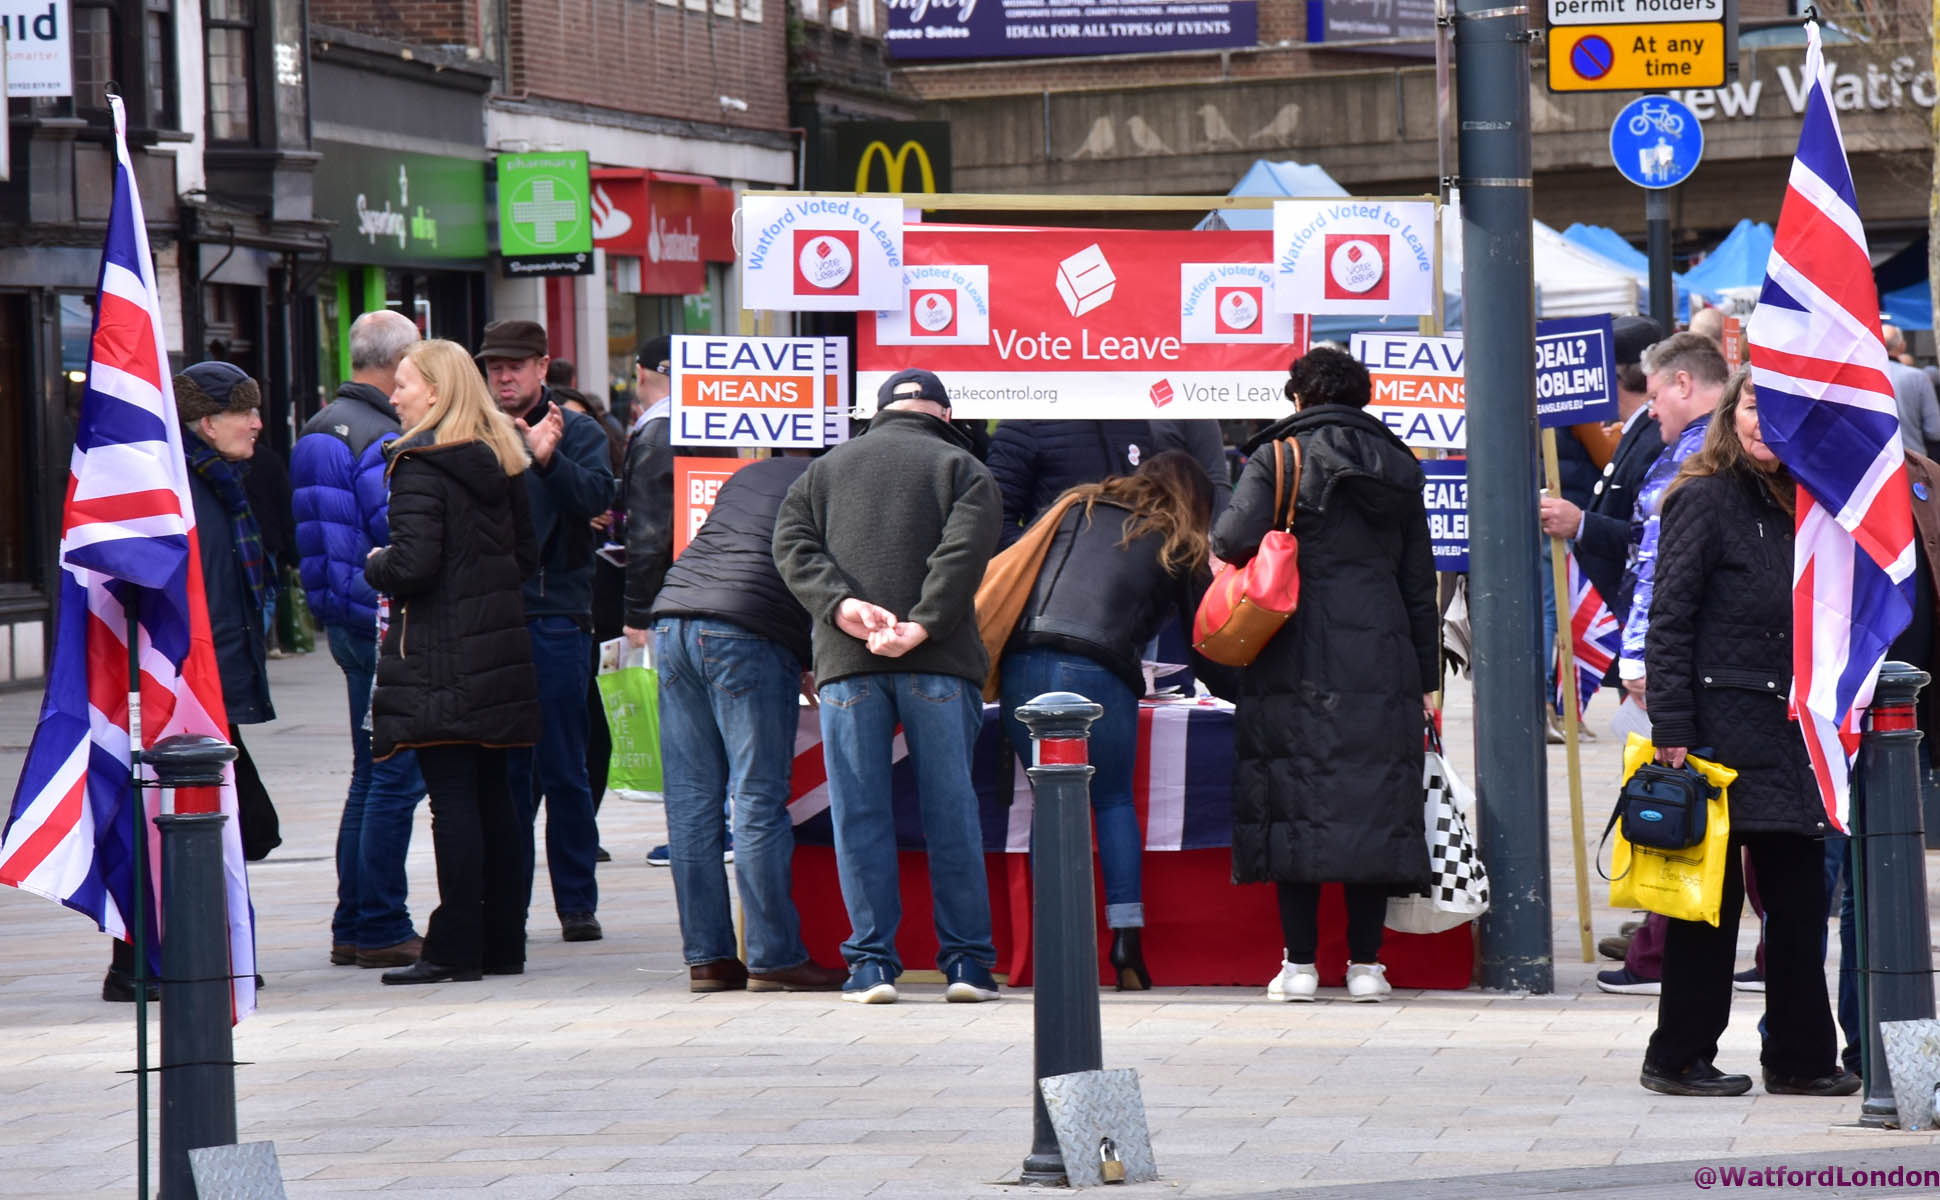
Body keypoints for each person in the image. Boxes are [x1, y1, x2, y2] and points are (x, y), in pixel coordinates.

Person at [1638, 370, 1858, 1098]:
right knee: (1708, 908)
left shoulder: (1814, 503)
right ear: (1731, 412)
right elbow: (1667, 620)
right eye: (1753, 406)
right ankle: (1677, 1057)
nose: (1762, 422)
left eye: (1779, 409)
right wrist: (1671, 725)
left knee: (1798, 909)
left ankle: (1799, 1059)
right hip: (1714, 737)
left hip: (1792, 735)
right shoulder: (1702, 498)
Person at [1210, 346, 1439, 1004]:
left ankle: (1301, 965)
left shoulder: (1279, 457)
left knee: (1294, 799)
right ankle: (1367, 965)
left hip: (1294, 649)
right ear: (1361, 397)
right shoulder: (1400, 465)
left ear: (1299, 397)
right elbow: (1418, 583)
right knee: (1374, 801)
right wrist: (1425, 676)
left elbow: (1230, 541)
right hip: (1384, 651)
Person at [773, 367, 1005, 1006]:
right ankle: (966, 966)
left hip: (849, 663)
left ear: (878, 414)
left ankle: (871, 966)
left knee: (860, 815)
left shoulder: (822, 470)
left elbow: (790, 546)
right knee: (951, 813)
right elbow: (961, 557)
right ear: (944, 412)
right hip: (939, 662)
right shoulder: (964, 469)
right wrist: (923, 624)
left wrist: (843, 607)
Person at [997, 450, 1234, 991]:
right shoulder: (1181, 541)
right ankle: (1126, 939)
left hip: (1022, 662)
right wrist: (1239, 695)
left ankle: (1055, 944)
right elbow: (1206, 643)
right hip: (1099, 670)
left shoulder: (1074, 506)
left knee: (1046, 798)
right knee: (1111, 800)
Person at [365, 339, 543, 985]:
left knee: (454, 805)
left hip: (441, 657)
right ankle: (504, 944)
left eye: (405, 385)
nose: (394, 396)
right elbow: (525, 561)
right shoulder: (503, 459)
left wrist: (372, 563)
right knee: (501, 801)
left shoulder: (420, 464)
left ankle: (455, 948)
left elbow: (411, 565)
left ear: (437, 393)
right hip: (500, 652)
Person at [648, 453, 847, 994]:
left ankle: (708, 959)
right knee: (757, 798)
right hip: (746, 630)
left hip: (672, 620)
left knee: (691, 800)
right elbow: (832, 577)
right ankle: (773, 956)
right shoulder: (839, 482)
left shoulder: (750, 473)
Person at [292, 308, 429, 970]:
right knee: (393, 774)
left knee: (367, 774)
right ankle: (378, 922)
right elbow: (395, 528)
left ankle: (353, 922)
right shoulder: (381, 436)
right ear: (397, 362)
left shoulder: (319, 427)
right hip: (380, 618)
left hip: (339, 617)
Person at [478, 319, 616, 944]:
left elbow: (595, 499)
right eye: (494, 367)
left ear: (542, 366)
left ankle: (577, 904)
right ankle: (509, 905)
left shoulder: (576, 430)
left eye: (515, 365)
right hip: (495, 616)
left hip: (556, 615)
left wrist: (546, 458)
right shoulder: (475, 429)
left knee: (564, 768)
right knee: (507, 775)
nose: (504, 377)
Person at [177, 361, 280, 863]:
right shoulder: (185, 493)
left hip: (212, 686)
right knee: (245, 830)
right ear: (209, 423)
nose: (258, 423)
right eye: (245, 411)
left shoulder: (223, 483)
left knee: (249, 831)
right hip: (192, 692)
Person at [1882, 325, 1940, 457]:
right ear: (1902, 346)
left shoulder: (1857, 378)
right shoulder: (1918, 377)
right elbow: (1934, 430)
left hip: (1871, 465)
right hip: (1912, 461)